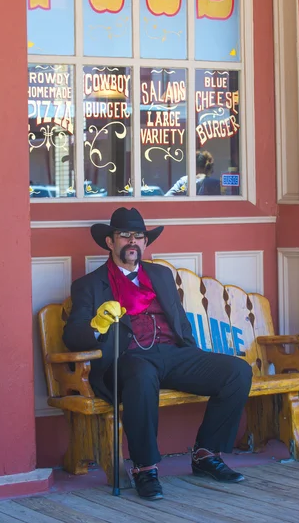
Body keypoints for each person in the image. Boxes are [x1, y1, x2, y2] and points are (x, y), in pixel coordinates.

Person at [63, 207, 252, 501]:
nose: (132, 242)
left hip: (172, 353)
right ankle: (144, 468)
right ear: (110, 242)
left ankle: (205, 454)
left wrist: (190, 354)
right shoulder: (89, 285)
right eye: (124, 236)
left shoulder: (161, 275)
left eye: (139, 236)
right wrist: (97, 325)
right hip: (127, 358)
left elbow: (180, 322)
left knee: (237, 371)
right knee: (141, 375)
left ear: (145, 243)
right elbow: (72, 336)